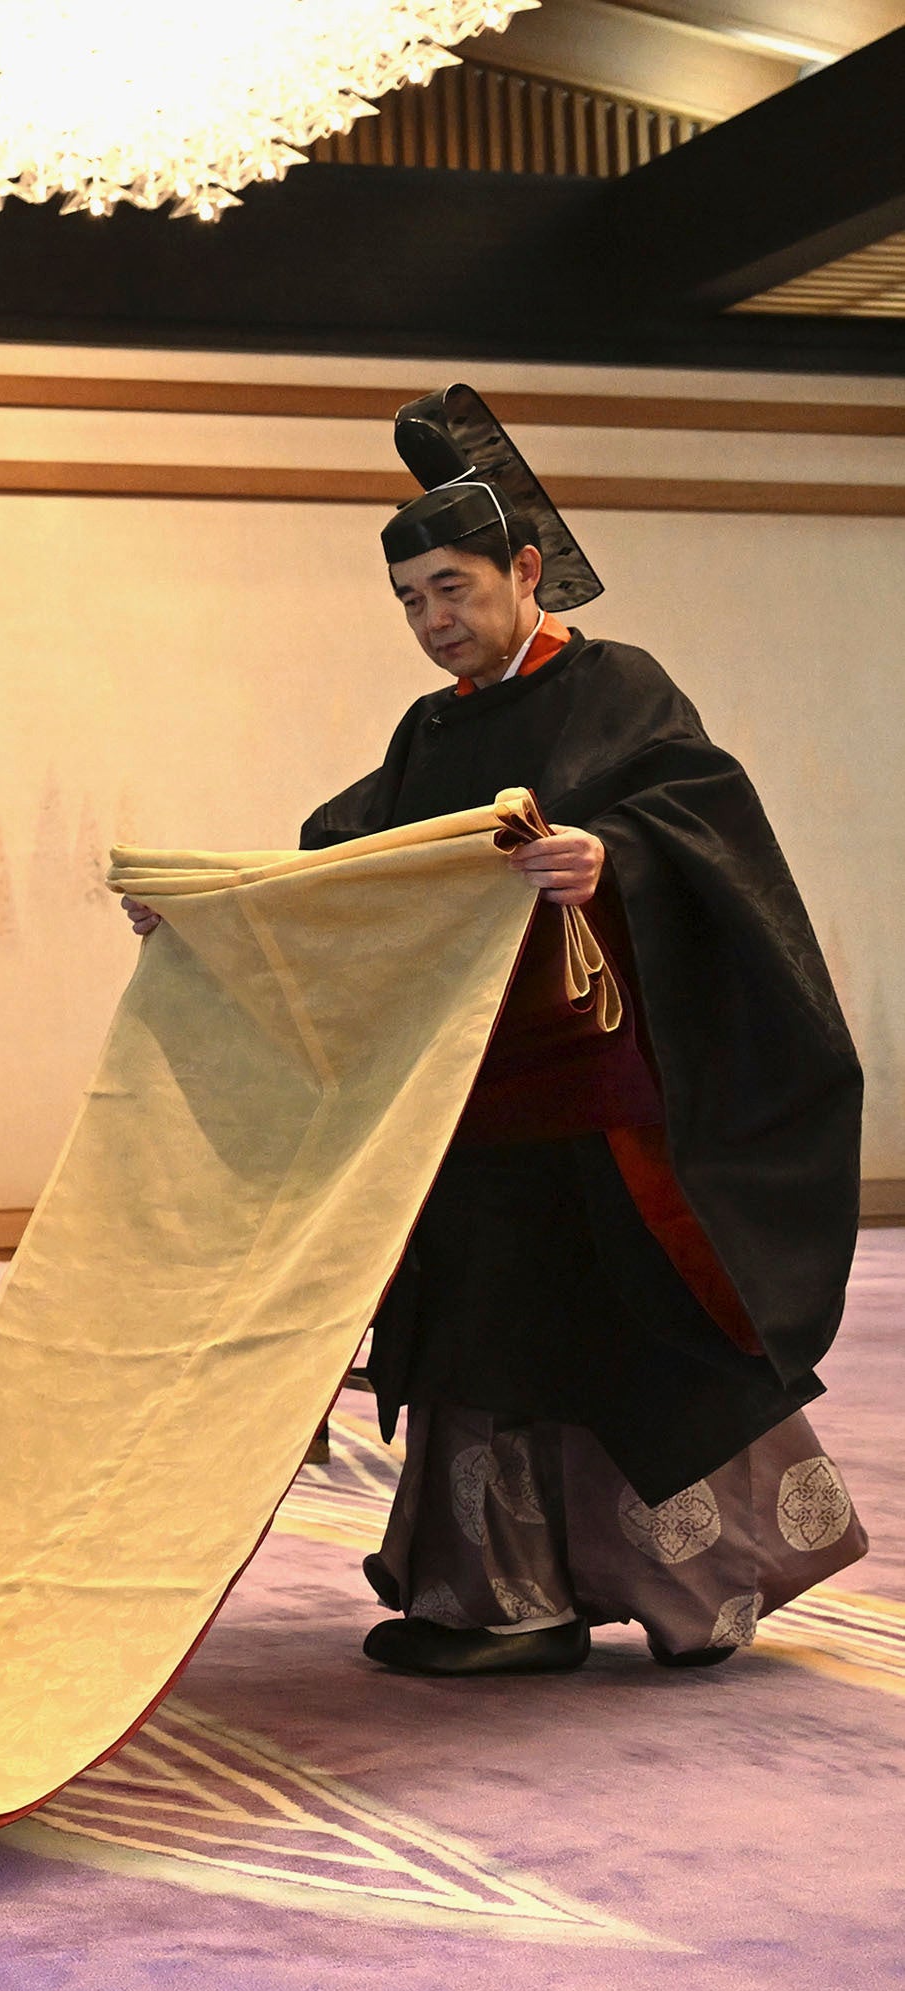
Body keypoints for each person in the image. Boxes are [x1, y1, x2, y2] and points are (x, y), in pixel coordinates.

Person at [125, 385, 866, 1676]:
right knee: (477, 1333)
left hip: (597, 1104)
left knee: (629, 1325)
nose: (430, 622)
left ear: (523, 570)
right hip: (467, 1103)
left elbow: (709, 828)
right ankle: (497, 1600)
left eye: (451, 589)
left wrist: (613, 855)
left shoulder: (615, 686)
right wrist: (217, 920)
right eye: (408, 599)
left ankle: (699, 1588)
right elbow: (347, 864)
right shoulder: (429, 731)